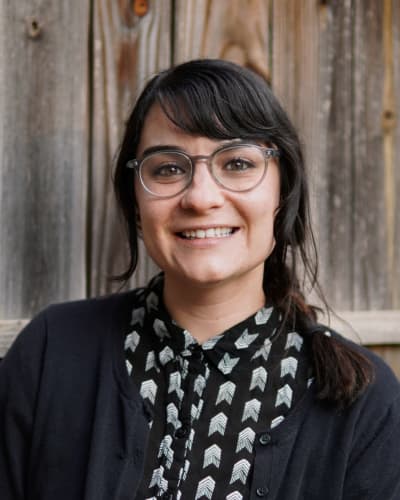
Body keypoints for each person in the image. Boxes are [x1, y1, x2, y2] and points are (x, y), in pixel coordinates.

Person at [0, 59, 399, 500]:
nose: (201, 197)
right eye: (168, 168)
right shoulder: (52, 352)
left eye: (238, 163)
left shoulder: (362, 401)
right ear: (135, 201)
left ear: (283, 193)